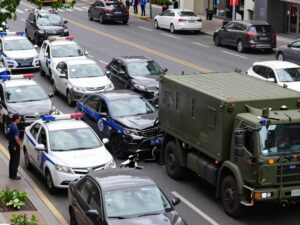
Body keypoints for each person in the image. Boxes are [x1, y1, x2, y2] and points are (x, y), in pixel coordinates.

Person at [7, 114, 22, 180]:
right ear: (16, 119)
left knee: (12, 160)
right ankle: (14, 175)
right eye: (19, 118)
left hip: (10, 145)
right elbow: (16, 138)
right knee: (15, 161)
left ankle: (11, 174)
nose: (19, 119)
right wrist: (20, 145)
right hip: (14, 146)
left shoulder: (9, 125)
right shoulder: (15, 127)